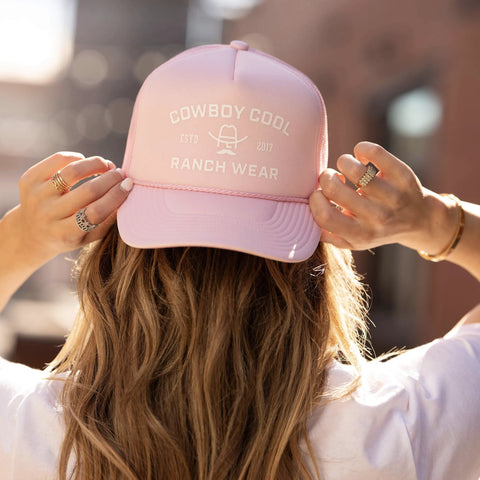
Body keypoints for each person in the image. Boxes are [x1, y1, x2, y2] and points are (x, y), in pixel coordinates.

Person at [0, 42, 479, 480]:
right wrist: (437, 221)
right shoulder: (400, 427)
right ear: (318, 257)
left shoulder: (30, 430)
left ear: (116, 253)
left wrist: (22, 238)